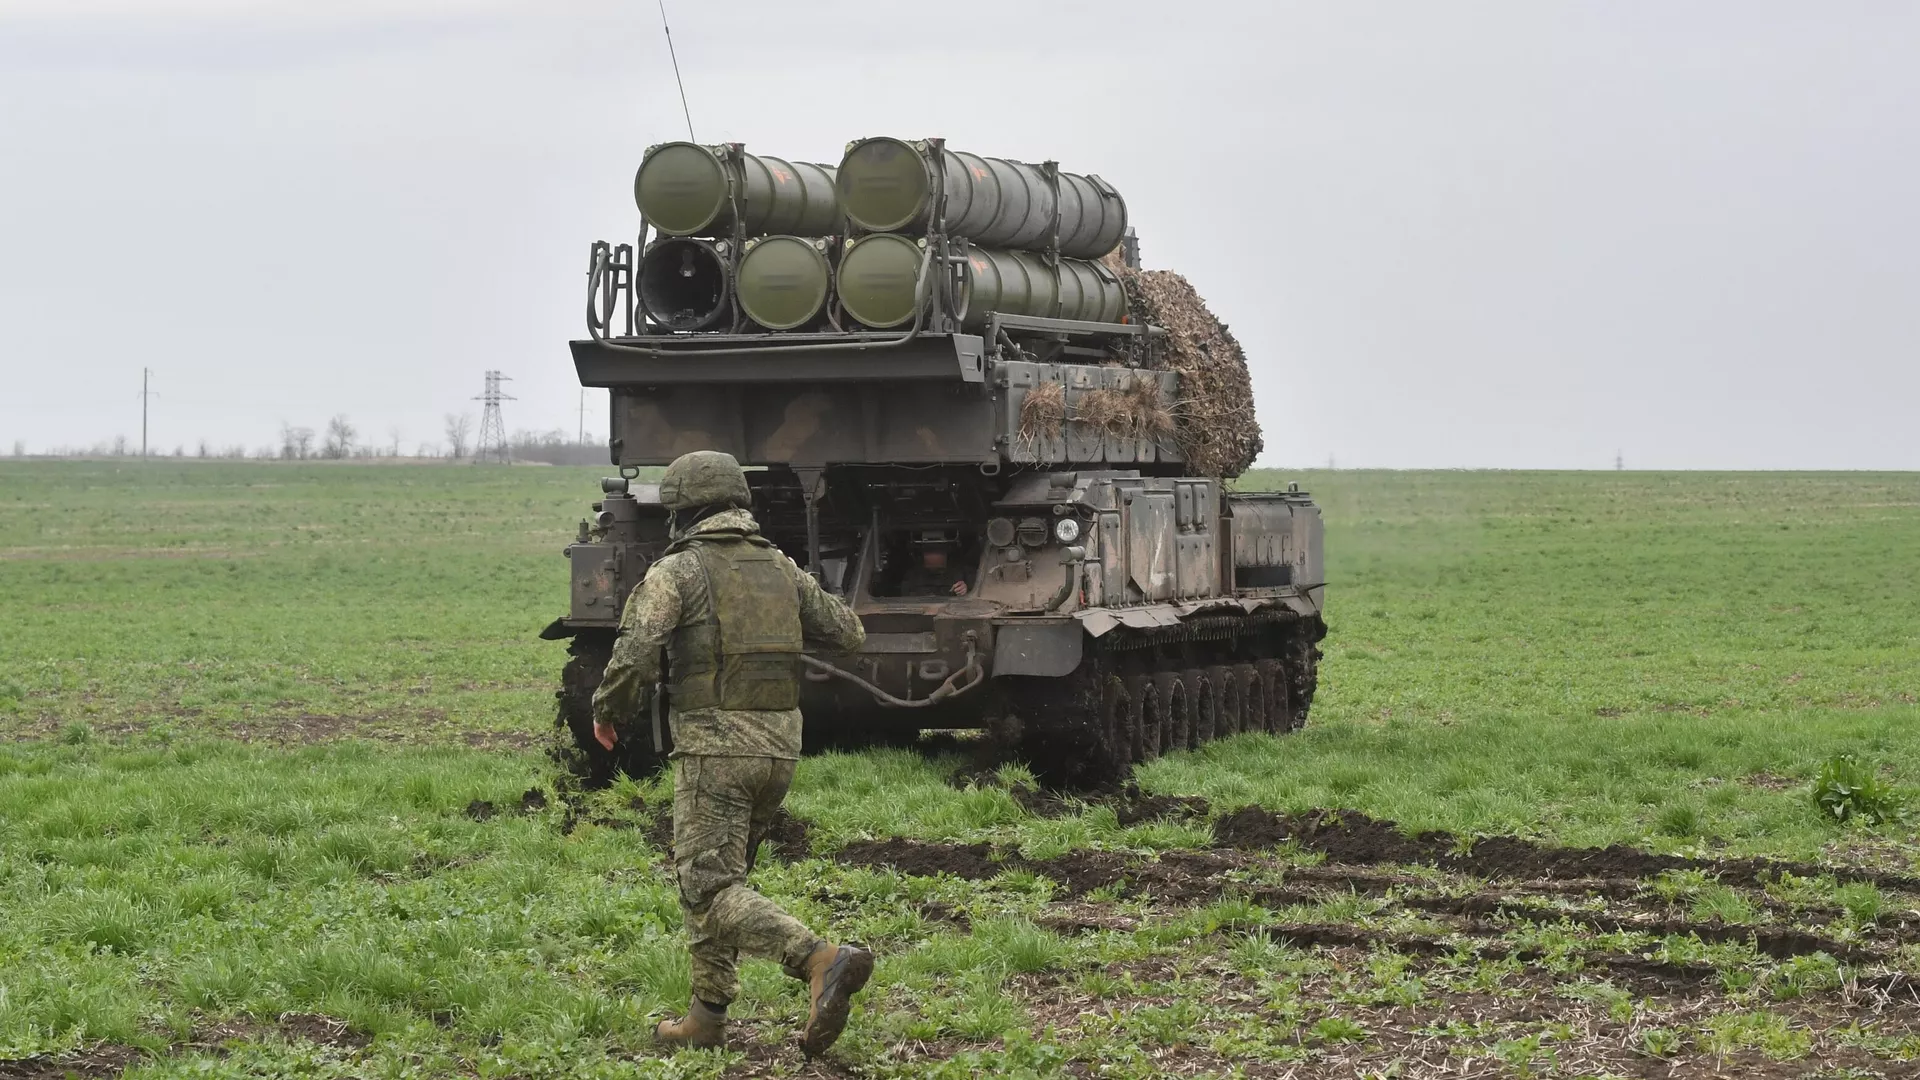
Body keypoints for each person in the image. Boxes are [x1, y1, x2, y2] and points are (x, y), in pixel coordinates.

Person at [591, 450, 873, 1055]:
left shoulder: (678, 570)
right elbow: (848, 633)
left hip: (715, 750)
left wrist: (608, 709)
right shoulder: (781, 566)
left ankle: (818, 958)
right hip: (780, 749)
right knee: (720, 882)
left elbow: (637, 650)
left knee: (708, 888)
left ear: (681, 511)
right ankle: (706, 1018)